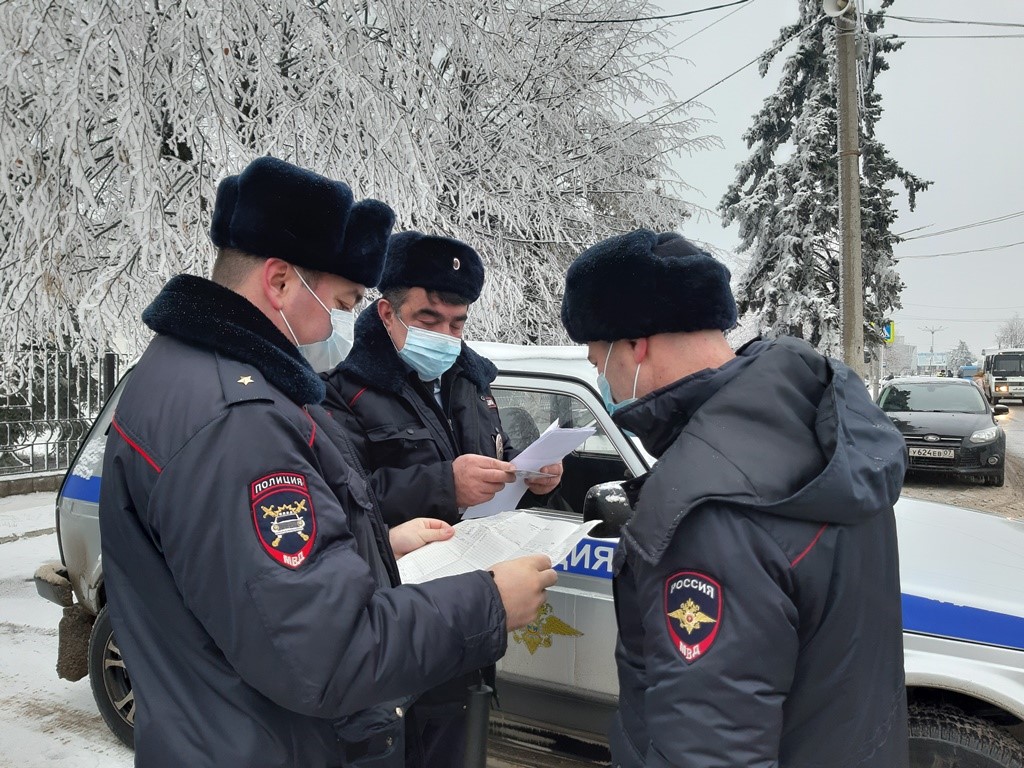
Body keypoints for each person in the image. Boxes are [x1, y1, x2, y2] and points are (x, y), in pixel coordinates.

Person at [98, 157, 557, 768]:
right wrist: (490, 604)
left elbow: (246, 583)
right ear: (280, 282)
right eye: (342, 304)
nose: (340, 327)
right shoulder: (240, 420)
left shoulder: (186, 371)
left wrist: (375, 546)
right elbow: (324, 654)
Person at [560, 229, 909, 768]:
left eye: (595, 358)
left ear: (634, 344)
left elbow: (709, 750)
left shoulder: (706, 507)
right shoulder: (810, 426)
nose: (598, 376)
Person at [322, 231, 562, 768]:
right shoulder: (341, 390)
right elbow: (341, 501)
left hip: (472, 609)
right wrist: (442, 485)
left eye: (458, 323)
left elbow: (489, 453)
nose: (446, 336)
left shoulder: (472, 383)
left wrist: (532, 469)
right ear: (386, 313)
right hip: (395, 618)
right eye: (429, 320)